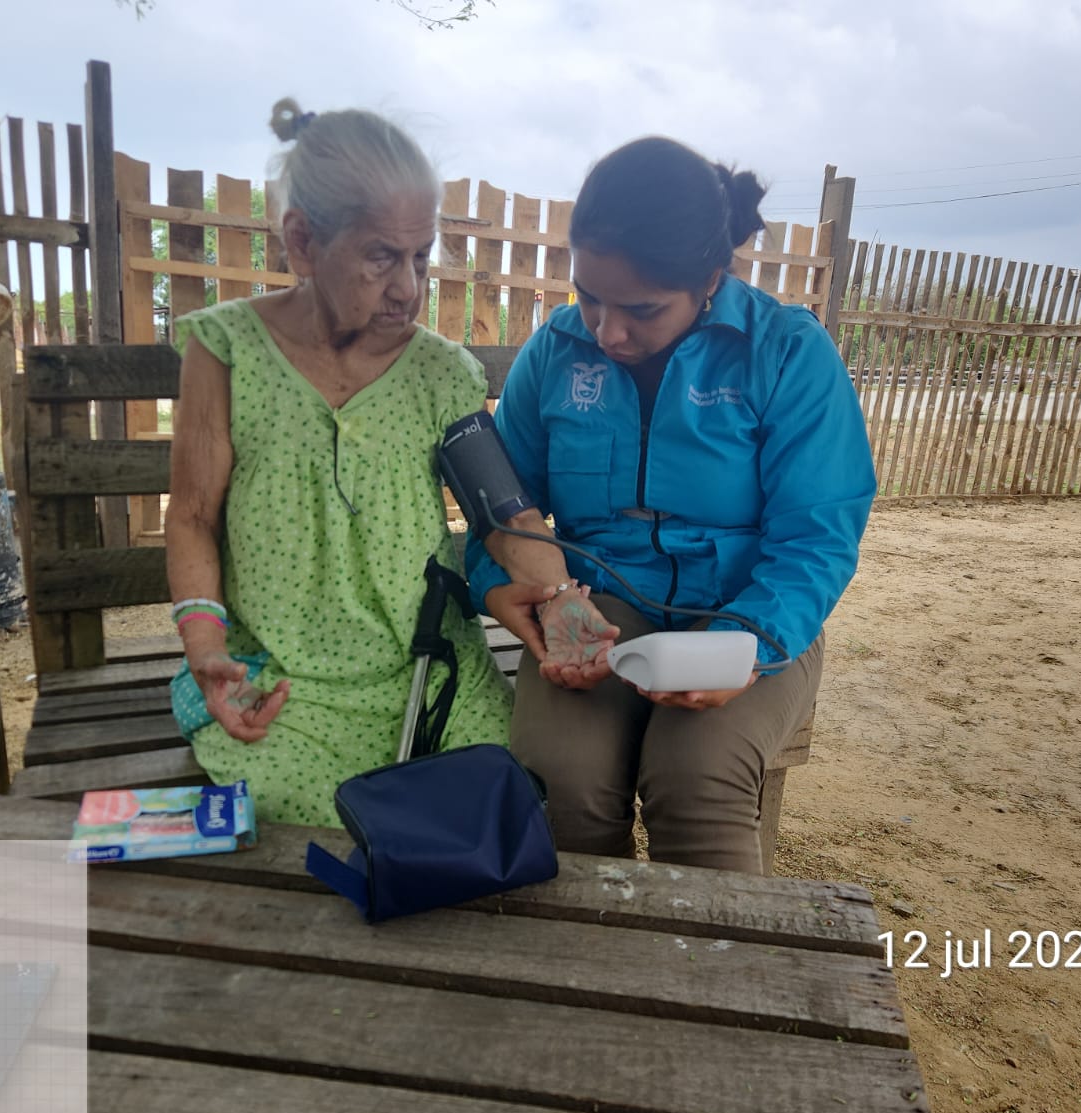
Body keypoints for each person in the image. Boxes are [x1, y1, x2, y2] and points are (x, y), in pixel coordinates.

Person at [466, 136, 876, 874]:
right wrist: (508, 592)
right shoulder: (555, 353)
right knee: (562, 783)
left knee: (697, 782)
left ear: (710, 278)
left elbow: (817, 537)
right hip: (602, 606)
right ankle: (598, 944)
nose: (606, 331)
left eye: (642, 309)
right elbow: (499, 512)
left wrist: (749, 642)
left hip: (751, 610)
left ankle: (715, 949)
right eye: (588, 296)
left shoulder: (786, 352)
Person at [165, 98, 513, 827]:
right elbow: (192, 516)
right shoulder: (227, 350)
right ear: (302, 241)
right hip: (285, 675)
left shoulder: (441, 373)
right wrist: (205, 647)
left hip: (425, 666)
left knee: (491, 791)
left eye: (421, 257)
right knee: (301, 812)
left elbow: (504, 511)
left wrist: (559, 593)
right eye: (382, 256)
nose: (408, 288)